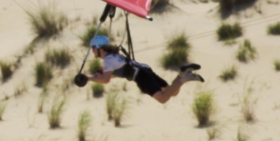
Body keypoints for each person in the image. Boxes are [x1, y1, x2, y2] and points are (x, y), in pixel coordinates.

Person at [74, 35, 204, 104]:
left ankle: (186, 78)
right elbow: (110, 74)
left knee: (163, 98)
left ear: (98, 48)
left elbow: (106, 80)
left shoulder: (108, 60)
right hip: (145, 69)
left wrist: (89, 78)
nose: (92, 51)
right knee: (172, 91)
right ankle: (182, 74)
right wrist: (93, 77)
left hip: (141, 77)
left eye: (93, 48)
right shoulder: (113, 56)